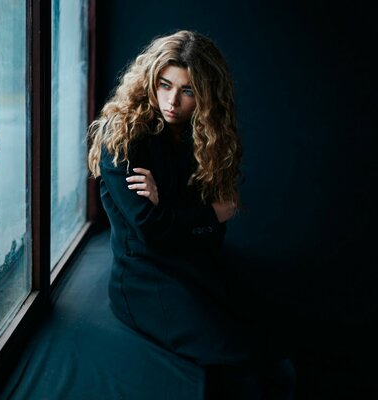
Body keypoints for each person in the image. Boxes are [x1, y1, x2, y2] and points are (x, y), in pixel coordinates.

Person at [87, 30, 295, 398]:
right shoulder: (121, 138)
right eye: (164, 85)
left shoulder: (200, 134)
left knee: (274, 346)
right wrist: (204, 214)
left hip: (192, 263)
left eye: (187, 91)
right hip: (145, 280)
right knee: (242, 359)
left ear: (205, 95)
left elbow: (214, 232)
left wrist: (171, 205)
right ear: (150, 80)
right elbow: (153, 232)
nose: (172, 102)